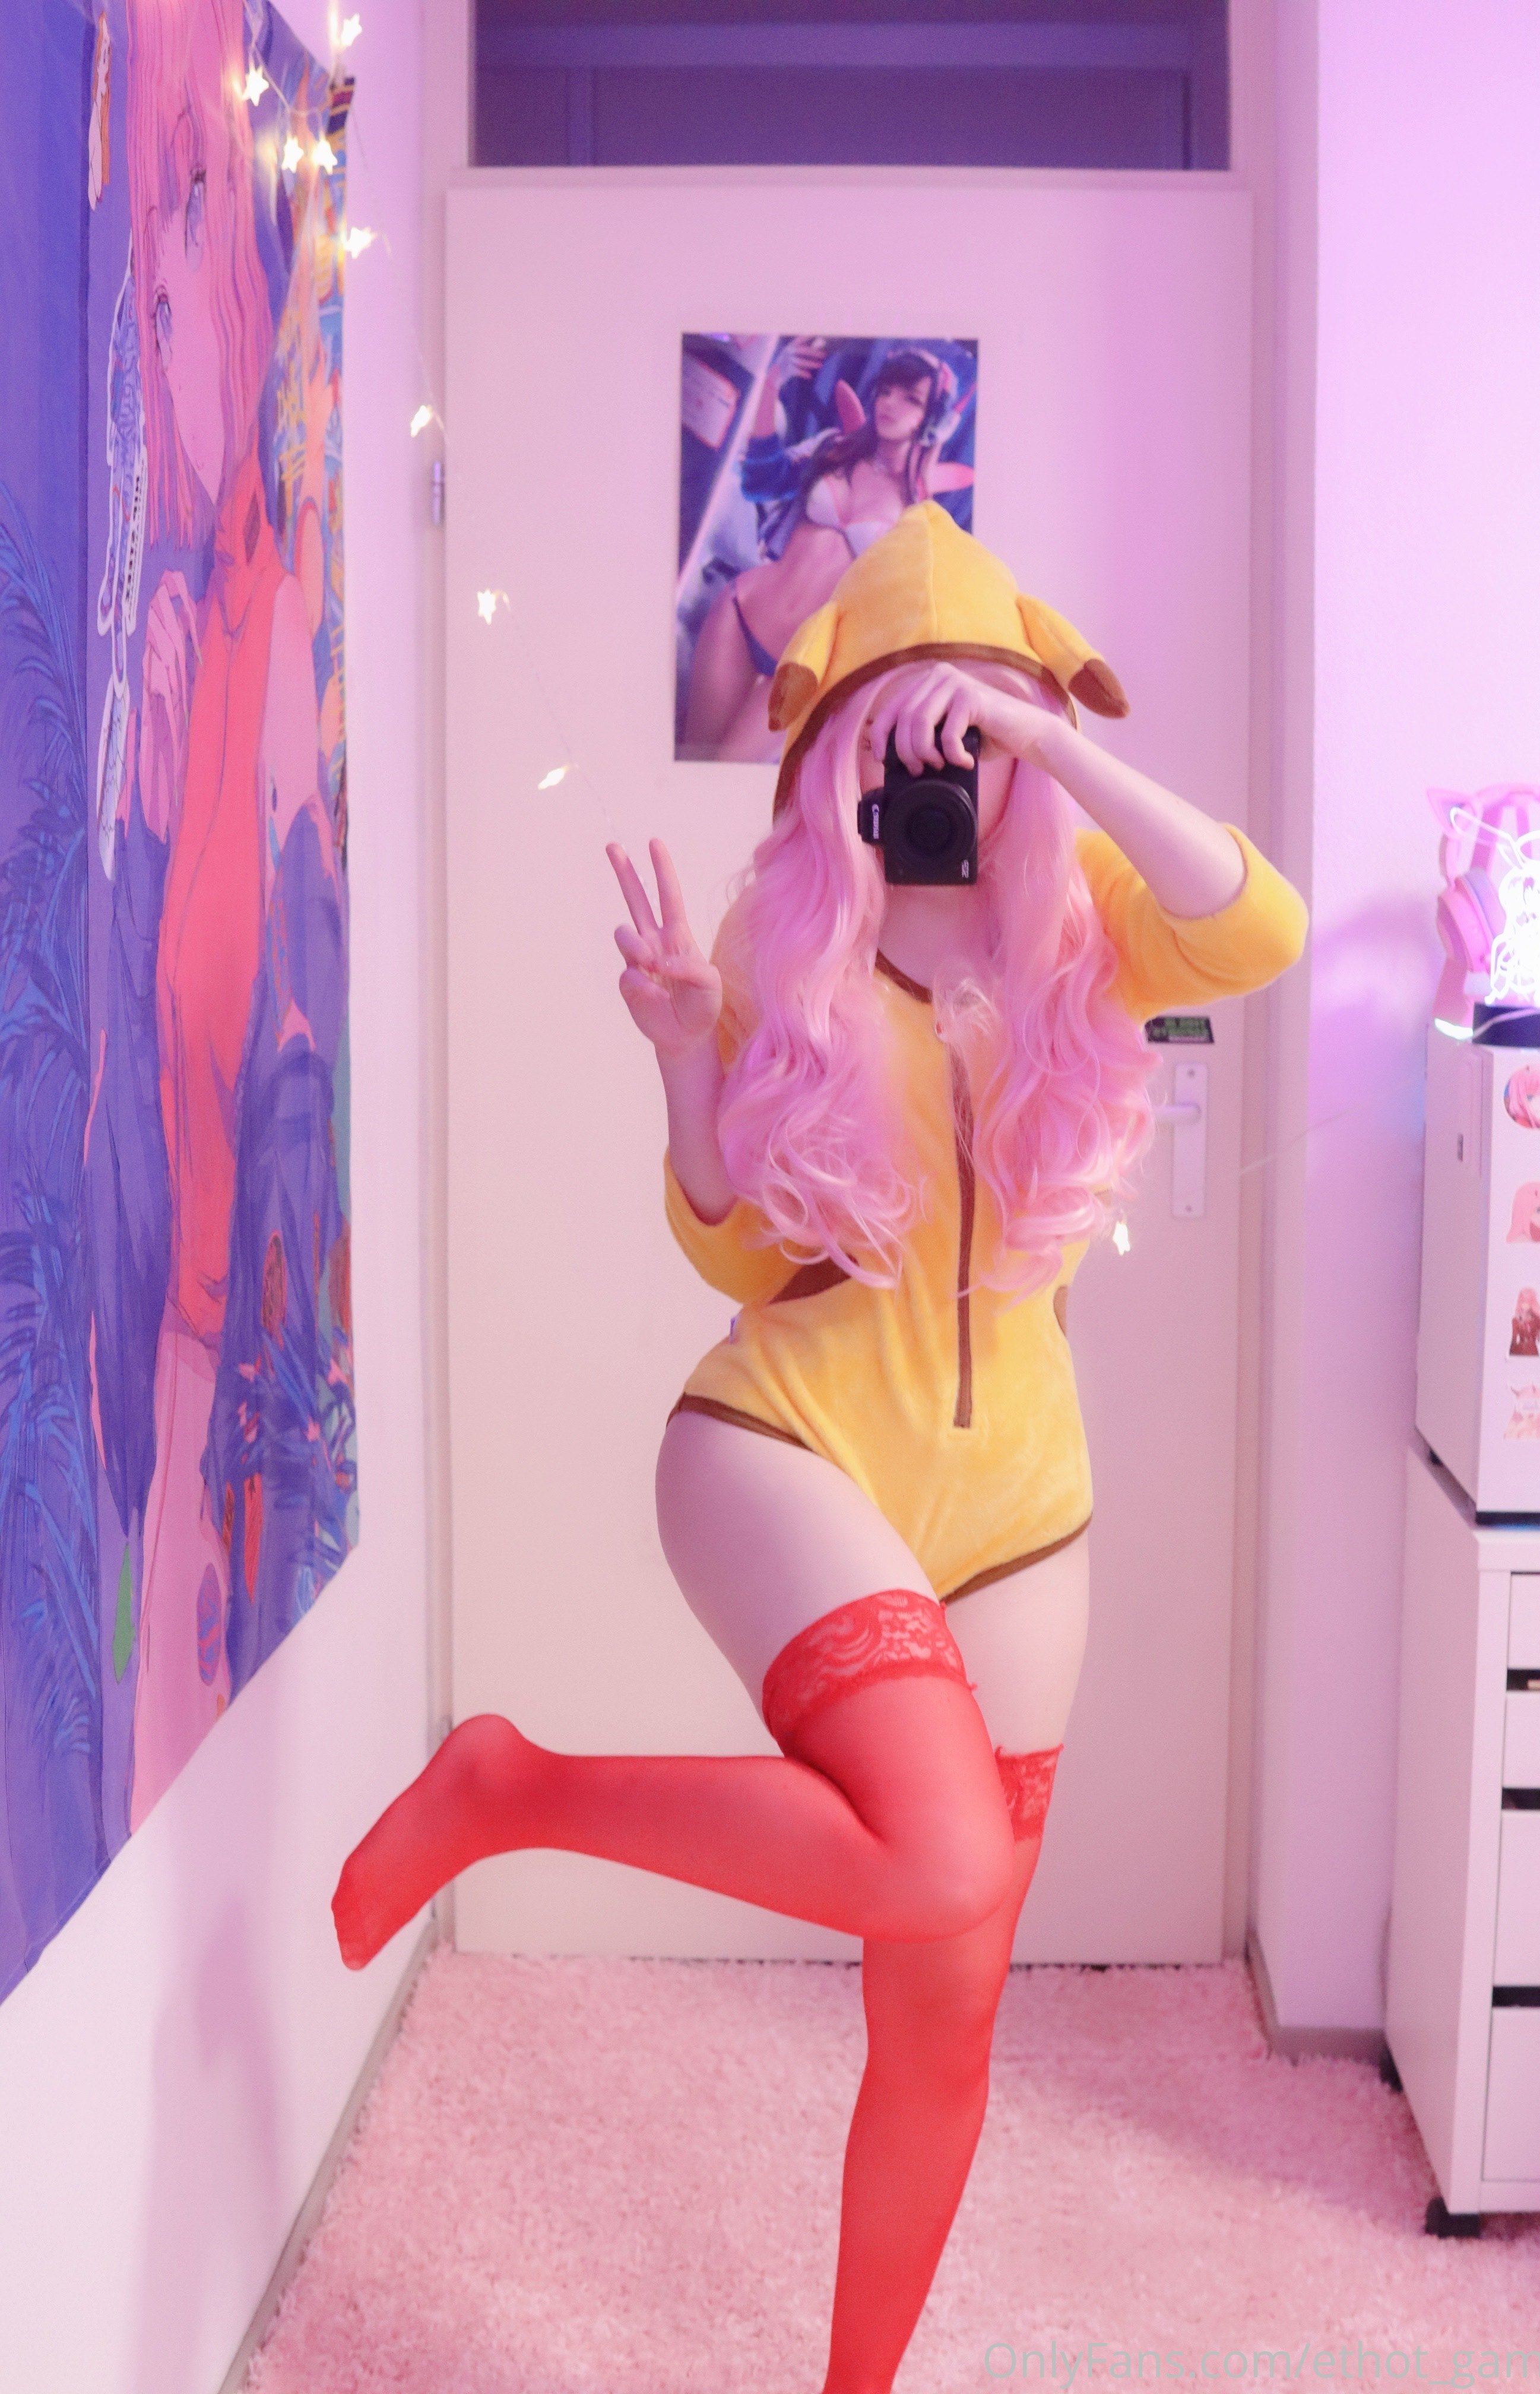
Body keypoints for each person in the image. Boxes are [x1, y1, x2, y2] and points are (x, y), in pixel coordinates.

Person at [334, 505, 1307, 2392]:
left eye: (972, 728)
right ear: (835, 750)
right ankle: (508, 1790)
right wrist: (684, 1055)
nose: (941, 768)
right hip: (787, 1444)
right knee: (939, 1858)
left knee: (947, 2011)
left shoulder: (1092, 923)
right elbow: (732, 1248)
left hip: (1021, 1512)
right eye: (902, 727)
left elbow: (1255, 925)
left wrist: (1050, 747)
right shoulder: (788, 943)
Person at [88, 0, 349, 1828]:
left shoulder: (267, 619)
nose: (164, 296)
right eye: (157, 232)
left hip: (215, 1333)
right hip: (175, 1342)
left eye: (197, 210)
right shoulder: (189, 631)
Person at [682, 344, 972, 762]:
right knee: (694, 765)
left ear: (935, 421)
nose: (891, 404)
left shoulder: (920, 514)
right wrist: (770, 385)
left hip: (806, 664)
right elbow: (761, 481)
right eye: (887, 391)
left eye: (912, 399)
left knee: (731, 769)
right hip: (742, 612)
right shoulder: (835, 448)